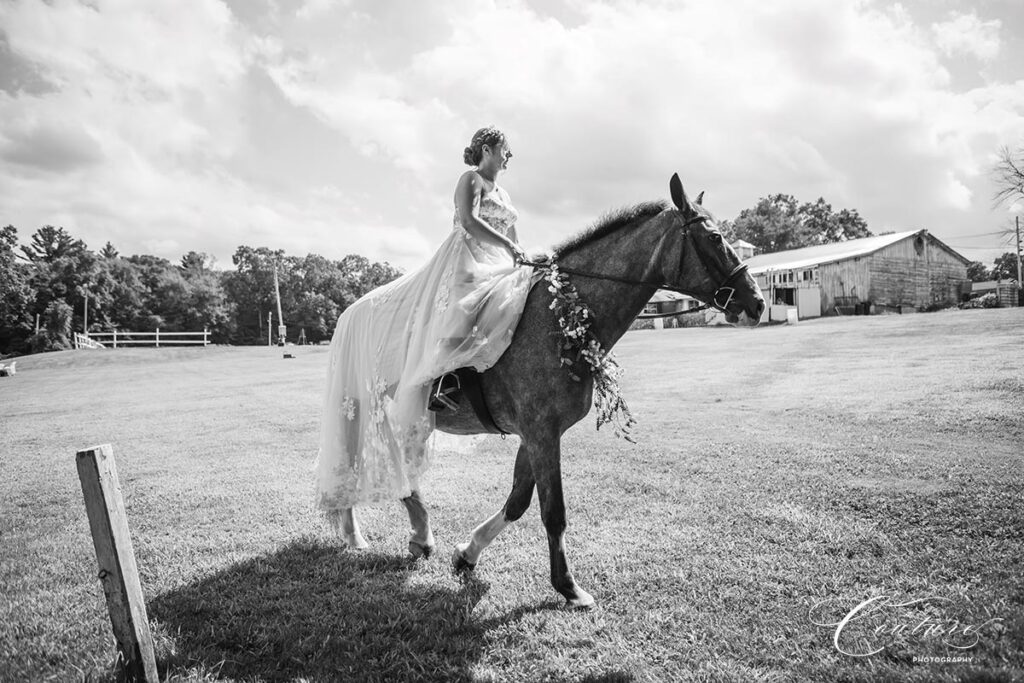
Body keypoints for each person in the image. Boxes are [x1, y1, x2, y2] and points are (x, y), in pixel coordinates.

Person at [316, 126, 545, 542]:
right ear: (488, 149)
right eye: (506, 151)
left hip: (499, 263)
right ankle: (440, 381)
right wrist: (509, 249)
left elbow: (515, 238)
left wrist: (526, 258)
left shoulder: (506, 196)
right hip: (466, 260)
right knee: (459, 311)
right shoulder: (471, 179)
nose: (510, 159)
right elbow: (471, 222)